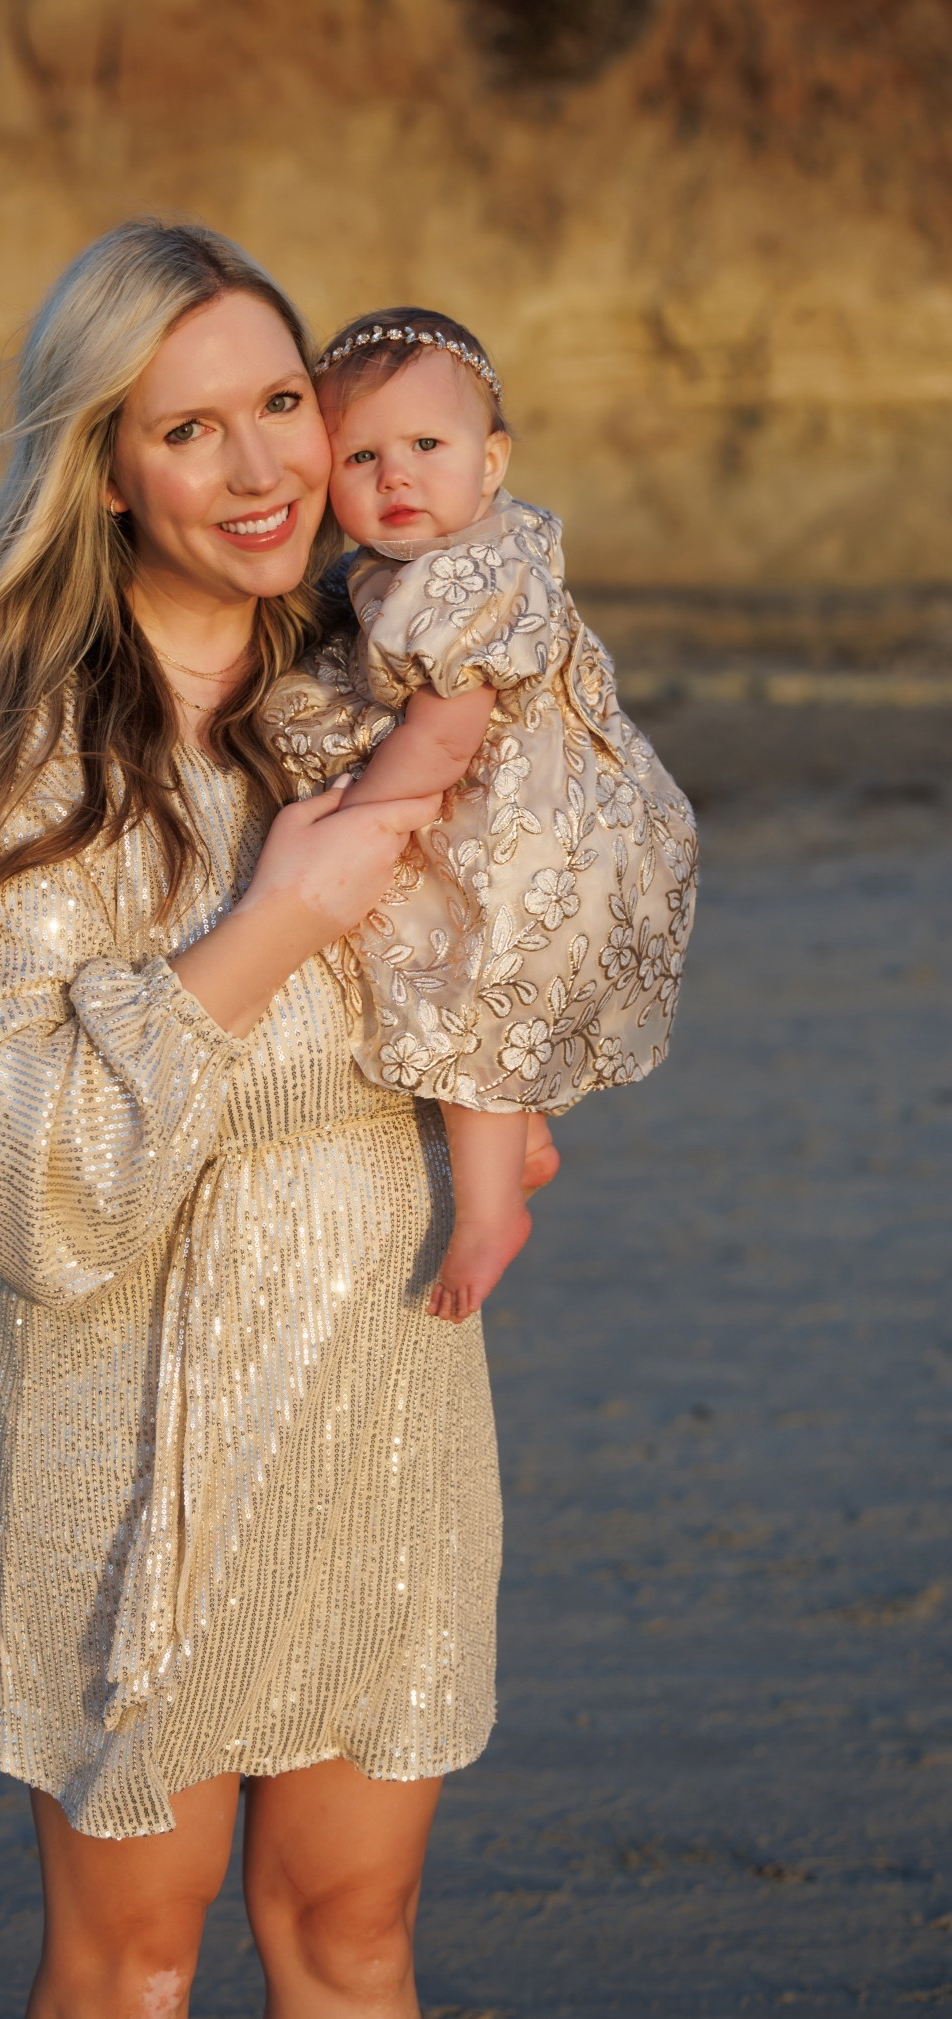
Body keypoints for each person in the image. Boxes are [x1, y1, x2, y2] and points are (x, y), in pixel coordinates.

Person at [0, 225, 551, 2019]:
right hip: (131, 1428)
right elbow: (28, 1184)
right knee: (138, 1966)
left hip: (385, 1376)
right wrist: (280, 912)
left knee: (354, 1923)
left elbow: (540, 923)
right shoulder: (19, 776)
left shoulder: (383, 690)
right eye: (191, 431)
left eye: (280, 405)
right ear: (103, 463)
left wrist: (504, 1087)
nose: (265, 472)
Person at [263, 309, 698, 1324]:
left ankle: (489, 1210)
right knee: (503, 1002)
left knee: (467, 987)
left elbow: (447, 737)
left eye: (426, 446)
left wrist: (364, 812)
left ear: (490, 460)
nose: (395, 476)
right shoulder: (454, 552)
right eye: (360, 455)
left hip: (531, 843)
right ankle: (526, 1131)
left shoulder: (461, 582)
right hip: (572, 823)